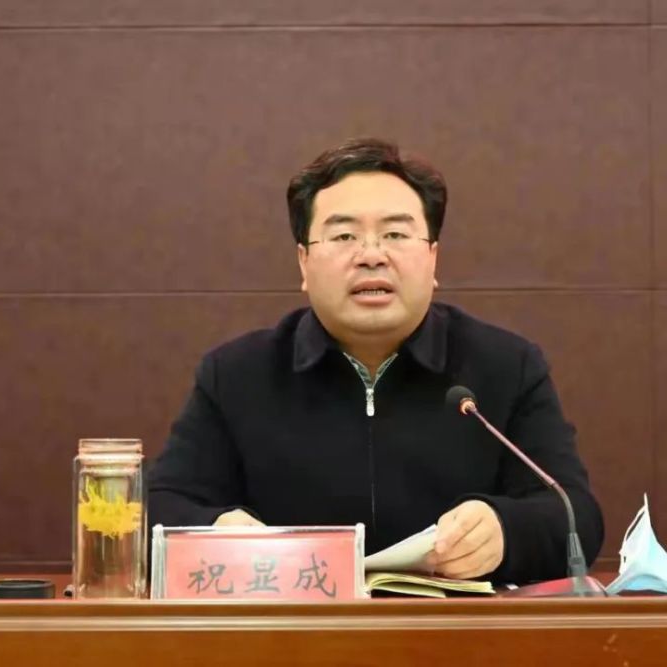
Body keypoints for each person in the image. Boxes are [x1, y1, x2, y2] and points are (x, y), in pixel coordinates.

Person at [147, 138, 603, 584]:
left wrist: (505, 531)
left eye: (395, 234)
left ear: (432, 257)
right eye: (344, 236)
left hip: (454, 630)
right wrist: (217, 529)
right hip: (296, 627)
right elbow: (159, 509)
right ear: (304, 262)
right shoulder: (237, 375)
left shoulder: (506, 366)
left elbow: (576, 516)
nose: (371, 256)